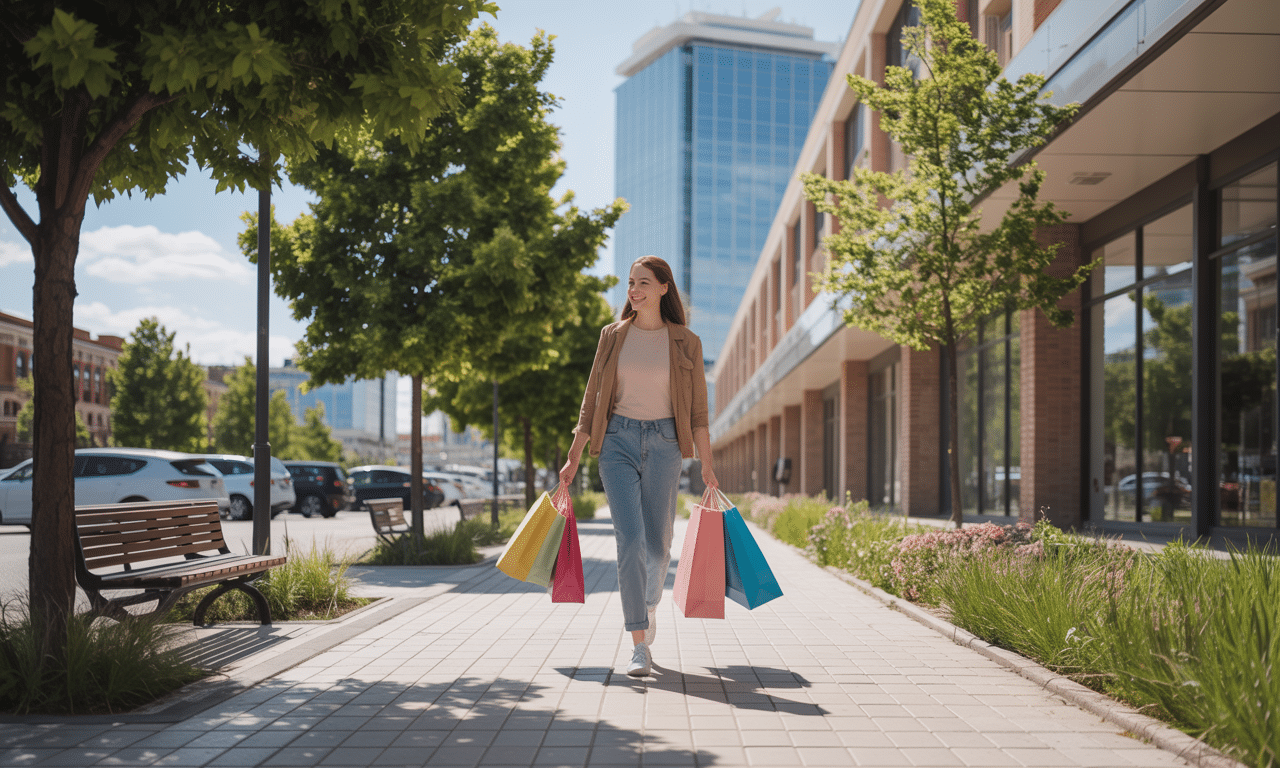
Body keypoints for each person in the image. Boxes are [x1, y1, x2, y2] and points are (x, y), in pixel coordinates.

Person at [559, 255, 718, 677]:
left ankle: (648, 605)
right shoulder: (612, 336)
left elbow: (699, 412)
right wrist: (574, 456)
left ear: (664, 288)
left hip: (666, 444)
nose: (634, 290)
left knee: (659, 547)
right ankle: (638, 643)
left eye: (643, 282)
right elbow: (592, 398)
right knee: (629, 540)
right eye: (631, 282)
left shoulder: (686, 342)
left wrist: (708, 464)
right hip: (617, 443)